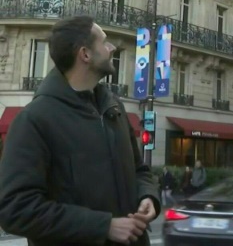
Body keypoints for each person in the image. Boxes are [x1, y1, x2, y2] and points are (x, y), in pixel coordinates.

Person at [0, 15, 159, 245]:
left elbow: (139, 170)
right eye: (104, 43)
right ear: (85, 54)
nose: (112, 48)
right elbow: (15, 208)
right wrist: (103, 226)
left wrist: (147, 196)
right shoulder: (34, 120)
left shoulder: (114, 108)